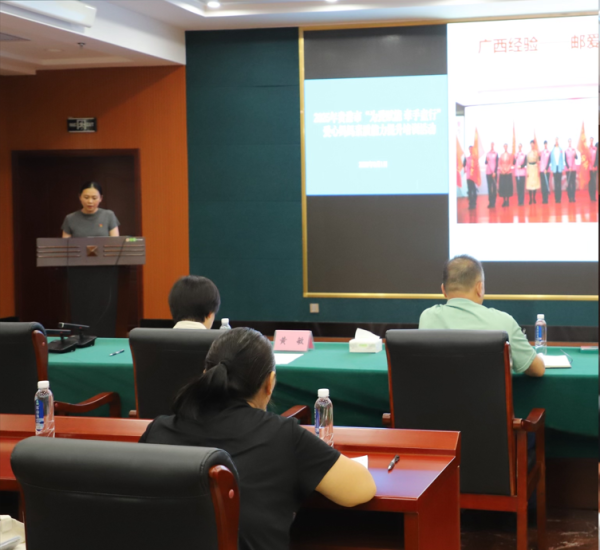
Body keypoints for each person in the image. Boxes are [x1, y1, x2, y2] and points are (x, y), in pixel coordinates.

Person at [139, 327, 376, 550]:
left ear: (205, 375)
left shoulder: (158, 431)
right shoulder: (283, 435)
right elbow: (360, 489)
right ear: (270, 384)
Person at [419, 255, 545, 377]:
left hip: (440, 392)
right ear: (479, 288)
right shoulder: (503, 321)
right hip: (489, 393)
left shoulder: (427, 317)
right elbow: (537, 370)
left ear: (443, 290)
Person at [550, 138, 565, 204]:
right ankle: (556, 198)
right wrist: (551, 169)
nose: (556, 141)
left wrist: (562, 168)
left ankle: (559, 198)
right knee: (556, 184)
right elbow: (551, 160)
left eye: (557, 140)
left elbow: (562, 159)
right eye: (555, 140)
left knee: (559, 184)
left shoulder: (561, 149)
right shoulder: (552, 150)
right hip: (554, 168)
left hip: (559, 168)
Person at [525, 140, 540, 204]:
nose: (532, 145)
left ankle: (534, 198)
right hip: (530, 168)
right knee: (530, 184)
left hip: (535, 168)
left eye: (533, 144)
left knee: (535, 184)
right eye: (531, 144)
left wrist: (538, 170)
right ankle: (530, 198)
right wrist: (527, 171)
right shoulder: (528, 153)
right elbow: (527, 163)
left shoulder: (536, 152)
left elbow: (538, 161)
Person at [485, 143, 498, 208]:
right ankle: (490, 202)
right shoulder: (487, 154)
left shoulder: (496, 154)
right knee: (489, 188)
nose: (492, 146)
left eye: (493, 145)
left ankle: (494, 202)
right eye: (491, 145)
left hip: (494, 173)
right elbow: (485, 162)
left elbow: (497, 163)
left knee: (494, 188)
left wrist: (495, 172)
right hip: (488, 173)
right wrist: (486, 160)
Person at [564, 138, 578, 203]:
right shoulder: (566, 151)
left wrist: (575, 155)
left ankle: (573, 197)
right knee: (569, 184)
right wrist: (568, 167)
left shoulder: (574, 150)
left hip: (573, 169)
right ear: (568, 143)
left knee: (573, 183)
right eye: (569, 142)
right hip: (568, 169)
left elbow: (576, 157)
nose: (570, 143)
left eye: (571, 142)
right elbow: (565, 160)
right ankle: (570, 197)